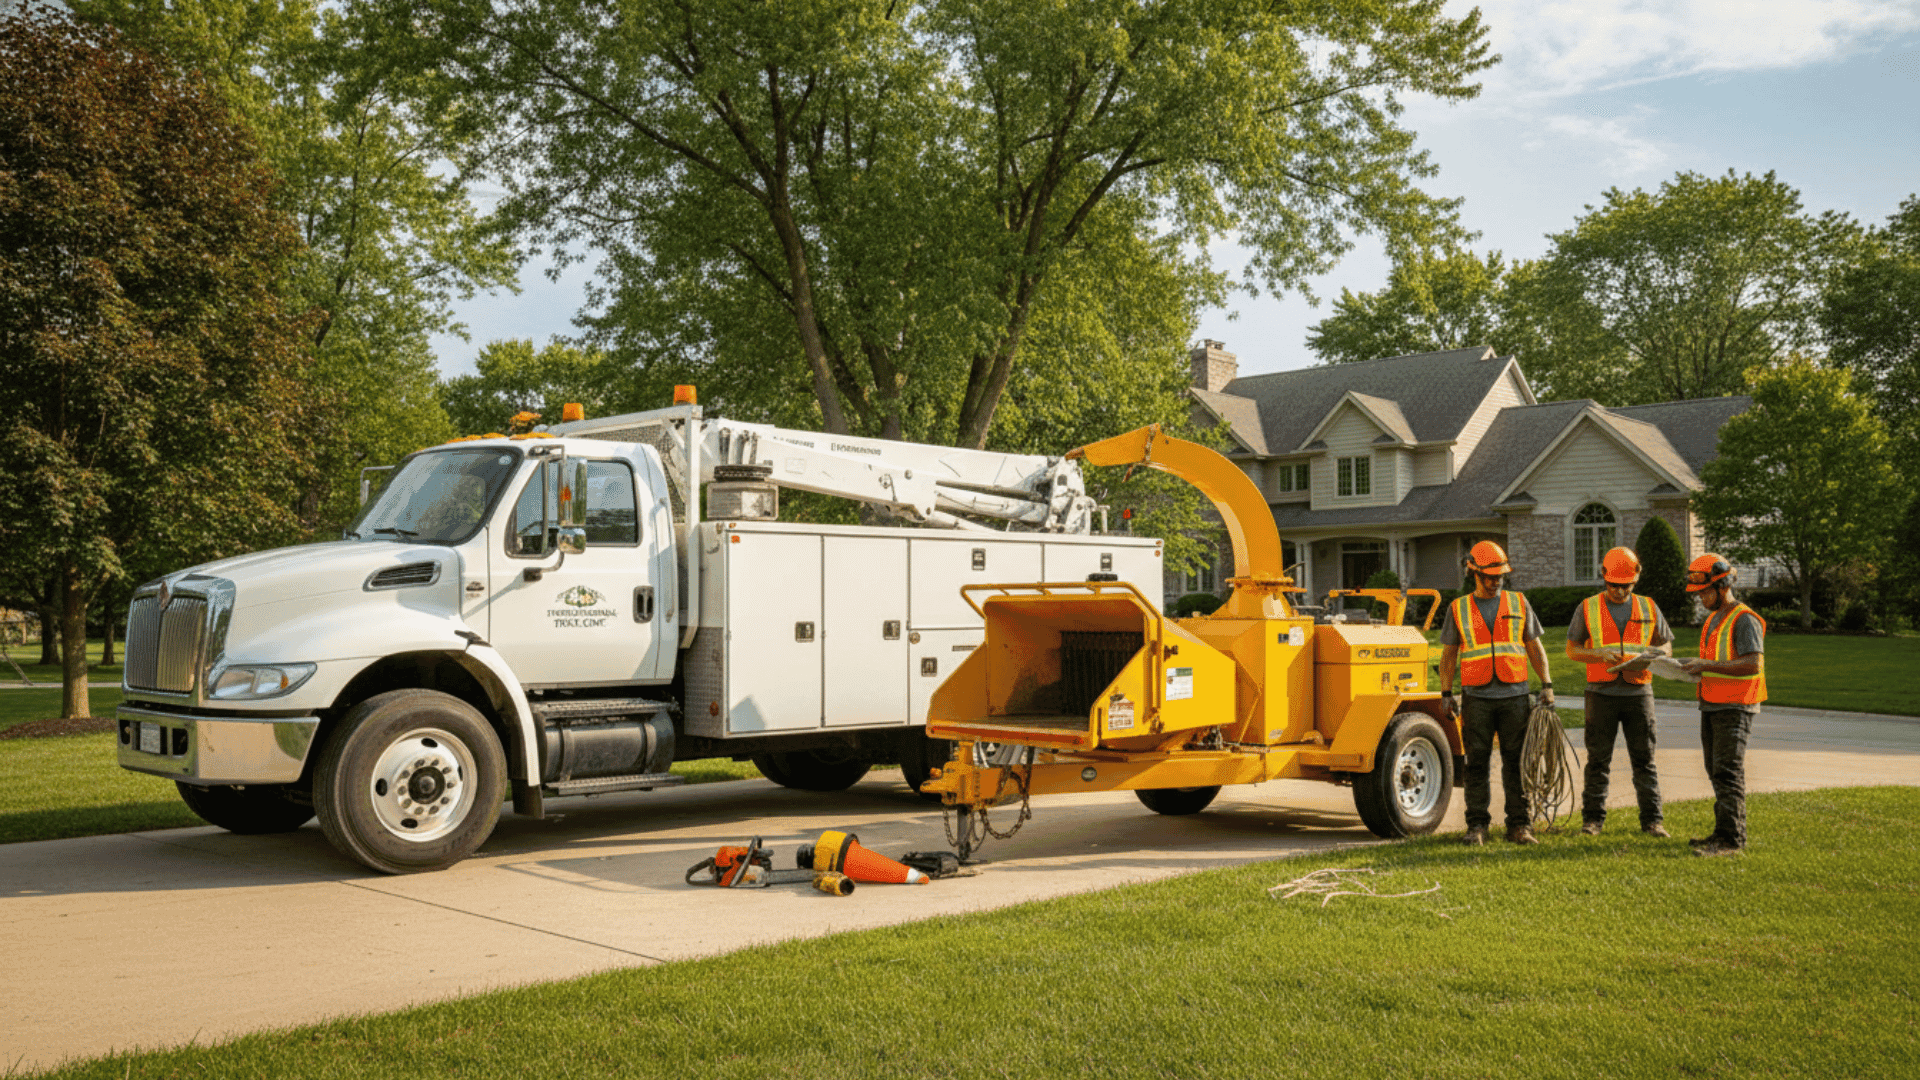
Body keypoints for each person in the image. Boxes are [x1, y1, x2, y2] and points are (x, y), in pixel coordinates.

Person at [1438, 540, 1556, 846]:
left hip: (1515, 696)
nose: (1495, 582)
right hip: (1477, 698)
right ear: (1473, 574)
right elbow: (1449, 655)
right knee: (1476, 763)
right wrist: (1446, 692)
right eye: (1490, 577)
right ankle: (1477, 825)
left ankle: (1520, 825)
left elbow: (1534, 646)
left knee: (1516, 762)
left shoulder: (1518, 603)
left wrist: (1547, 685)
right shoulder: (1458, 608)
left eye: (1500, 577)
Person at [1565, 547, 1673, 838]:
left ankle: (1653, 822)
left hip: (1639, 692)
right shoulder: (1587, 607)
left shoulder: (1649, 607)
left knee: (1644, 760)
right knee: (1598, 760)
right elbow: (1572, 649)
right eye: (1613, 584)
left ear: (1636, 577)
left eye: (1625, 585)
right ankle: (1592, 822)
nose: (1619, 590)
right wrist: (1599, 654)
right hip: (1601, 693)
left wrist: (1653, 655)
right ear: (1603, 576)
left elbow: (1666, 646)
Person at [1678, 554, 1766, 857]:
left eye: (1704, 592)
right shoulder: (1715, 619)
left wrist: (1709, 665)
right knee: (1715, 770)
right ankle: (1721, 831)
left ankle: (1732, 840)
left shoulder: (1744, 618)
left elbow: (1752, 663)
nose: (1701, 598)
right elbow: (1718, 662)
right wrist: (1695, 667)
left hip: (1736, 706)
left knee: (1728, 771)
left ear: (1722, 584)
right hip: (1712, 703)